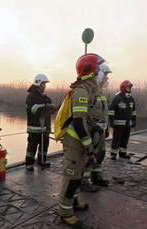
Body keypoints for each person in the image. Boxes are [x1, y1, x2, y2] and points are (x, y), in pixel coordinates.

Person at [58, 53, 106, 227]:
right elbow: (78, 122)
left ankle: (74, 202)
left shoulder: (90, 89)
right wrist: (89, 147)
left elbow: (88, 119)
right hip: (74, 142)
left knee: (77, 176)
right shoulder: (81, 91)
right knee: (71, 178)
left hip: (81, 141)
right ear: (90, 71)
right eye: (99, 70)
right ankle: (65, 212)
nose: (101, 73)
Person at [80, 65, 111, 192]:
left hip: (101, 132)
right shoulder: (90, 91)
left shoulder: (100, 91)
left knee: (101, 154)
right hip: (93, 132)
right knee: (90, 156)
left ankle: (96, 177)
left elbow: (104, 112)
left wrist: (107, 127)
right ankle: (83, 181)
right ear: (99, 75)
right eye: (105, 75)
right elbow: (85, 114)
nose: (107, 78)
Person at [25, 74, 56, 171]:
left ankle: (42, 161)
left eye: (45, 84)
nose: (45, 86)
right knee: (32, 147)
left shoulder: (46, 97)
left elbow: (51, 110)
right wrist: (49, 107)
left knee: (44, 146)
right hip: (34, 128)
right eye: (43, 84)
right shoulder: (31, 97)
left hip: (45, 128)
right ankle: (29, 164)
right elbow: (36, 110)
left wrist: (54, 108)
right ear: (38, 83)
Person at [108, 80, 137, 160]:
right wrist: (112, 121)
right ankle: (113, 154)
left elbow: (134, 112)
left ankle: (122, 154)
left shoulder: (131, 99)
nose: (130, 89)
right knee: (116, 140)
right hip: (118, 125)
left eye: (130, 87)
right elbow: (111, 111)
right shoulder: (117, 98)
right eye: (128, 87)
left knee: (125, 140)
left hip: (127, 125)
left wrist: (134, 121)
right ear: (123, 88)